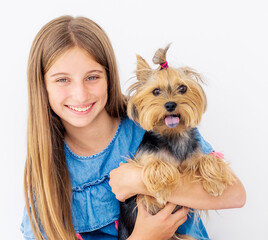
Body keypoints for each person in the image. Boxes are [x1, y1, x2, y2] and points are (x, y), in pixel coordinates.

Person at [21, 15, 246, 240]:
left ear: (110, 77)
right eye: (62, 80)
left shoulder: (152, 122)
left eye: (92, 77)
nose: (80, 94)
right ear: (41, 86)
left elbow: (235, 195)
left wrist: (139, 180)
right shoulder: (46, 167)